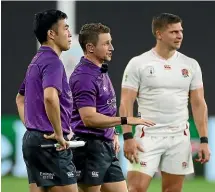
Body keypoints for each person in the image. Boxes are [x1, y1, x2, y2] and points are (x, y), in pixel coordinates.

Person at [120, 13, 211, 192]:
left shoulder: (190, 65)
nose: (180, 35)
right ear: (159, 34)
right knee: (135, 188)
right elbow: (125, 102)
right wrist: (128, 137)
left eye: (181, 31)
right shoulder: (138, 63)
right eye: (174, 32)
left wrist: (204, 140)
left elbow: (199, 103)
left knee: (173, 190)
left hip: (179, 137)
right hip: (146, 137)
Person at [69, 23, 155, 192]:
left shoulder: (100, 70)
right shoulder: (84, 77)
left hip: (106, 147)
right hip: (89, 149)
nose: (112, 48)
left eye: (111, 42)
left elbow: (104, 109)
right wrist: (125, 120)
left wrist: (113, 132)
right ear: (90, 47)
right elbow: (89, 118)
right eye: (106, 43)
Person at [16, 9, 78, 192]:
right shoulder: (53, 62)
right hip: (51, 143)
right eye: (65, 28)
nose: (69, 33)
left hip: (33, 141)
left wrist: (32, 126)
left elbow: (20, 99)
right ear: (51, 34)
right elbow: (50, 97)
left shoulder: (36, 61)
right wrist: (59, 133)